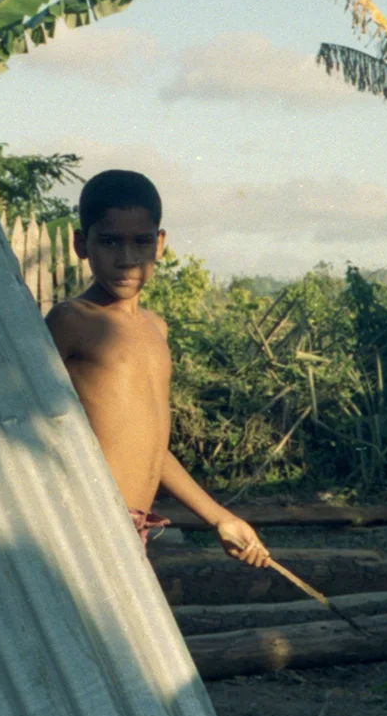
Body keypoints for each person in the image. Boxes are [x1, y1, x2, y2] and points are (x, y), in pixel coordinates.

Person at [45, 169, 269, 566]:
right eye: (109, 241)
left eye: (141, 242)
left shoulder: (155, 328)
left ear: (160, 243)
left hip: (135, 526)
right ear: (81, 244)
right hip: (89, 522)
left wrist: (221, 518)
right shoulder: (71, 321)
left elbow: (149, 447)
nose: (126, 259)